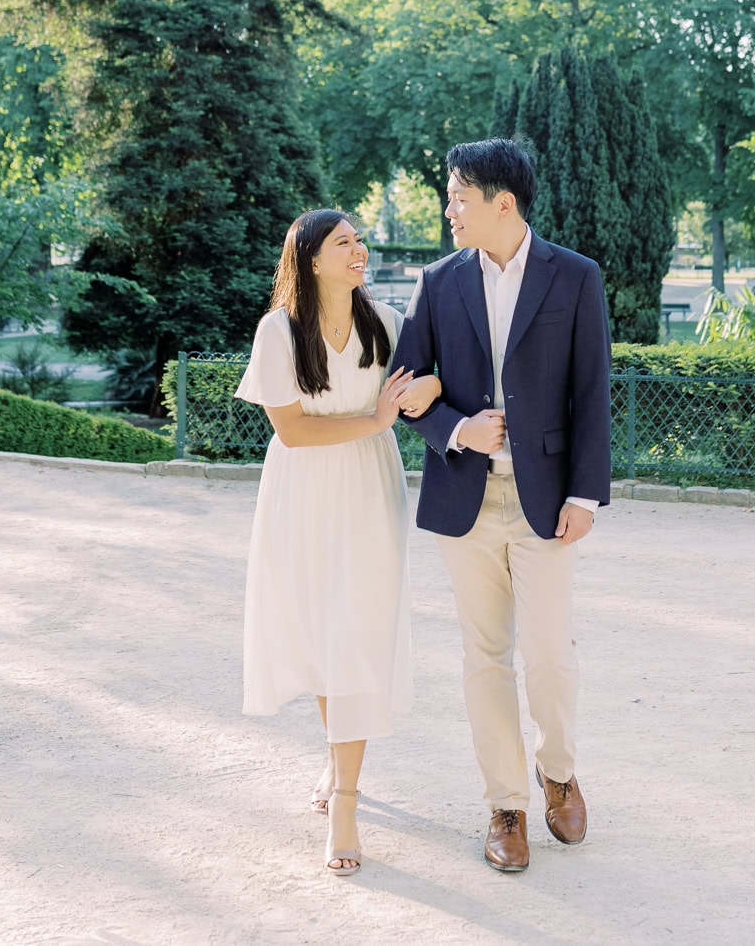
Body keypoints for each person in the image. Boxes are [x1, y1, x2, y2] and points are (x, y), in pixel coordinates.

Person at [395, 138, 612, 873]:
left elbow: (592, 392)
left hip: (547, 500)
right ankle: (507, 805)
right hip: (465, 498)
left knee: (548, 653)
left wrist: (586, 493)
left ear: (503, 203)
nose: (449, 208)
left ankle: (559, 769)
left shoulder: (575, 277)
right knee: (483, 656)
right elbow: (405, 386)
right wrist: (456, 427)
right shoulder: (436, 280)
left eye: (459, 196)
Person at [235, 208, 441, 875]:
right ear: (312, 258)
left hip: (368, 491)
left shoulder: (385, 325)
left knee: (355, 633)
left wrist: (416, 396)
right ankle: (336, 758)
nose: (360, 248)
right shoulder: (277, 332)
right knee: (323, 634)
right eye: (344, 241)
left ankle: (346, 801)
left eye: (359, 238)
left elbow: (435, 380)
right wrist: (373, 417)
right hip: (301, 493)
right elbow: (292, 431)